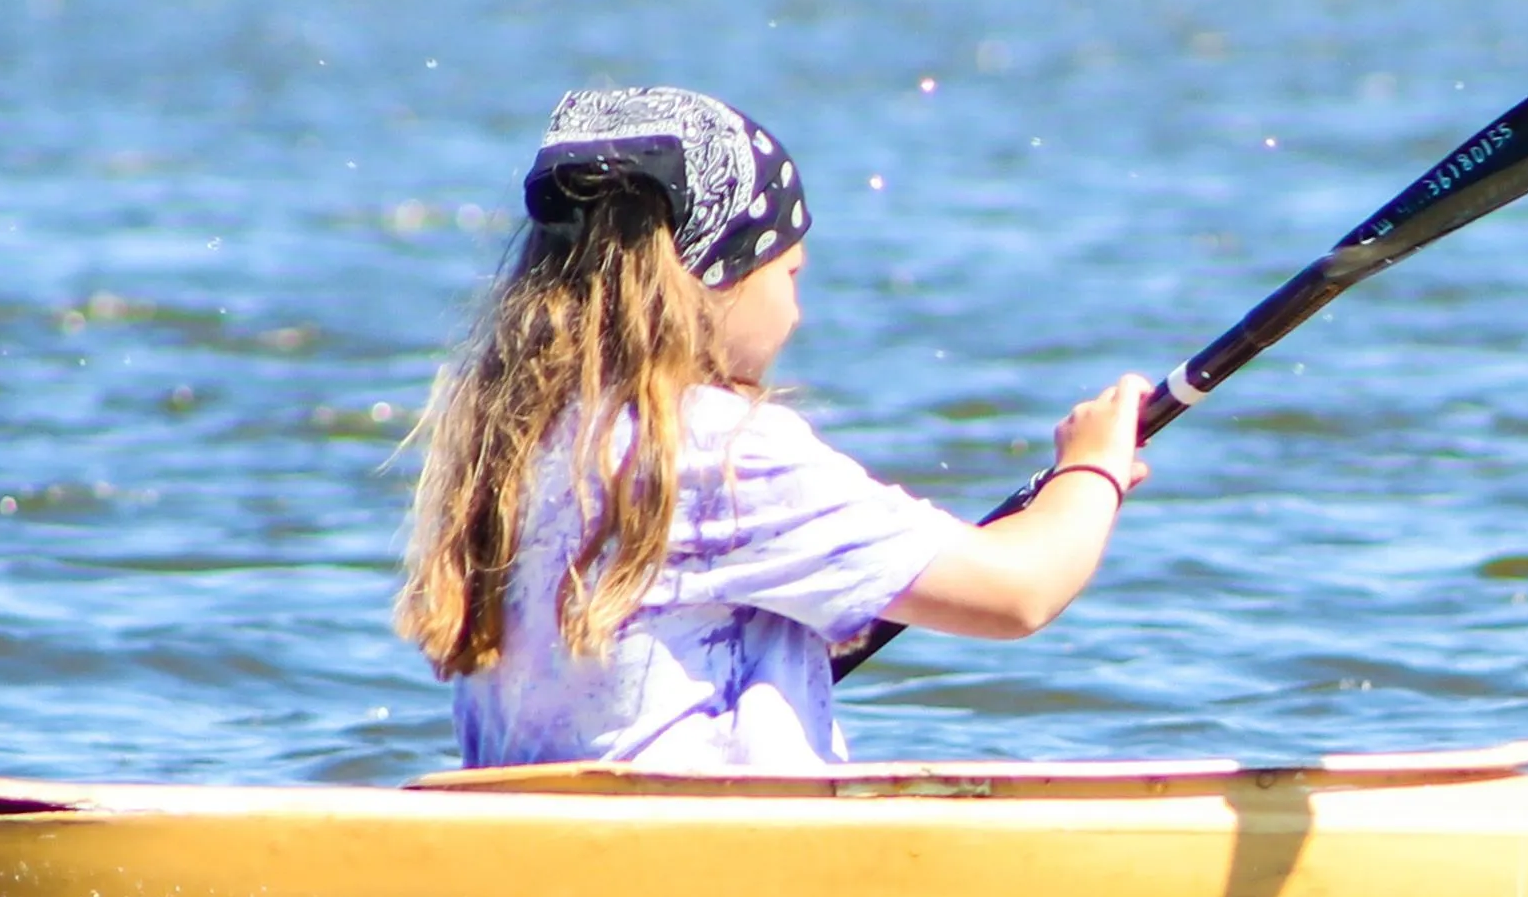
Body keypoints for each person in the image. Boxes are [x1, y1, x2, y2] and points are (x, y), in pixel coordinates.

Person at [397, 84, 1155, 772]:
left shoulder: (523, 437)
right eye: (790, 276)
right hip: (705, 862)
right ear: (721, 276)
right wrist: (1092, 469)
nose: (797, 312)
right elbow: (1019, 590)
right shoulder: (723, 449)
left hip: (547, 837)